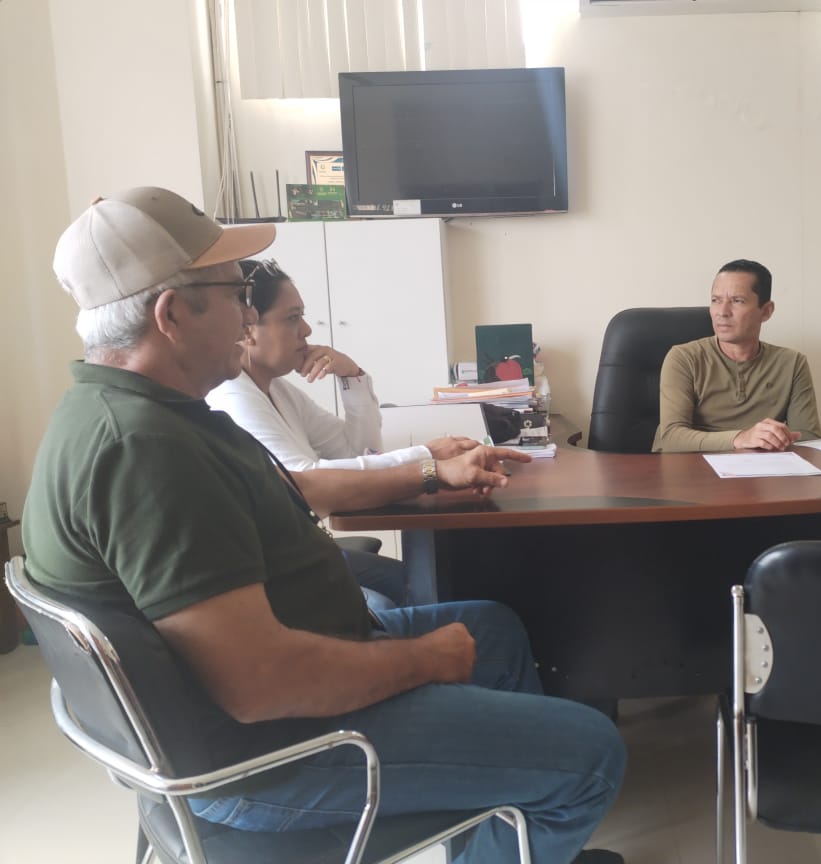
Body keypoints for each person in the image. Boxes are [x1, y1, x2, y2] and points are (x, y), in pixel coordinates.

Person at [22, 186, 626, 864]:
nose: (246, 314)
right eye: (235, 293)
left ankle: (507, 833)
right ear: (171, 314)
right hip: (280, 752)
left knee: (494, 630)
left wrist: (428, 471)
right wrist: (425, 659)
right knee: (592, 753)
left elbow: (297, 485)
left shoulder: (138, 414)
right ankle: (523, 812)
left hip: (293, 680)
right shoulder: (146, 451)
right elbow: (261, 684)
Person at [205, 258, 476, 610]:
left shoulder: (277, 389)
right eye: (292, 318)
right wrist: (427, 458)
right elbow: (305, 482)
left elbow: (359, 451)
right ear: (247, 327)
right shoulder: (232, 397)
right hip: (277, 573)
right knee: (399, 602)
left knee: (438, 586)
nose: (306, 330)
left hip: (304, 552)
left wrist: (353, 377)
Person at [653, 258, 821, 453]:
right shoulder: (684, 358)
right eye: (716, 300)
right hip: (693, 466)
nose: (722, 312)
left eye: (737, 301)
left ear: (766, 311)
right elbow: (671, 438)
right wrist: (741, 438)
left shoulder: (792, 363)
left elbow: (807, 439)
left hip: (762, 467)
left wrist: (777, 440)